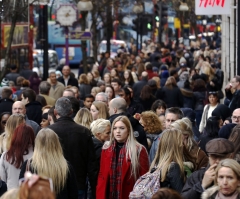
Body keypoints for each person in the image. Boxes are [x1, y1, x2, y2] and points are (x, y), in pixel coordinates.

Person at [48, 97, 97, 198]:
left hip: (54, 184)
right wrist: (94, 188)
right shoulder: (84, 132)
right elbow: (91, 164)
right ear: (71, 111)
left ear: (55, 112)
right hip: (78, 184)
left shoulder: (48, 132)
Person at [96, 115, 149, 199]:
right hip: (108, 193)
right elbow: (102, 174)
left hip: (129, 193)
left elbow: (144, 178)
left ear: (128, 130)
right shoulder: (106, 148)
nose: (118, 131)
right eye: (115, 128)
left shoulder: (138, 149)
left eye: (122, 128)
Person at [19, 128, 78, 199]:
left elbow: (21, 191)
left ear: (37, 144)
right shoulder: (66, 167)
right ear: (57, 144)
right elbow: (73, 194)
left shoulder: (28, 165)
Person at [150, 128, 185, 193]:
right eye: (181, 142)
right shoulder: (173, 167)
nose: (183, 145)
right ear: (176, 146)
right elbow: (181, 194)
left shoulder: (155, 164)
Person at [0, 124, 34, 189]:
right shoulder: (36, 156)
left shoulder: (6, 155)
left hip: (10, 193)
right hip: (29, 193)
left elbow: (3, 179)